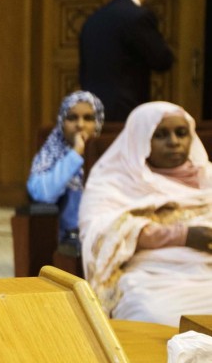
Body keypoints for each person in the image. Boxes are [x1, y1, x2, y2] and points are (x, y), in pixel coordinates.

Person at [79, 101, 212, 326]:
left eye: (181, 133)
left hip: (206, 270)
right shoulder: (112, 181)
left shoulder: (206, 176)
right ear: (140, 140)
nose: (174, 142)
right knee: (155, 317)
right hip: (149, 273)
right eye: (160, 135)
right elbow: (100, 234)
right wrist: (182, 235)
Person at [78, 0, 174, 123]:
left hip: (91, 107)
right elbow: (161, 60)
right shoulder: (138, 16)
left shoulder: (93, 19)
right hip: (125, 108)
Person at [27, 90, 105, 251]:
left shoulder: (111, 155)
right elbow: (43, 194)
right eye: (72, 118)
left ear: (98, 122)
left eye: (88, 118)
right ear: (62, 122)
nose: (80, 125)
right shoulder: (50, 153)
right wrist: (75, 154)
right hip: (71, 241)